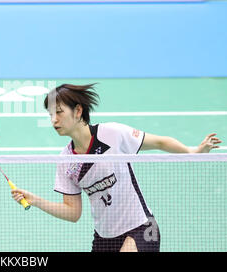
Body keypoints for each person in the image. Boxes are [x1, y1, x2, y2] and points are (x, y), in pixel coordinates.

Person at [11, 83, 221, 252]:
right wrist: (35, 200)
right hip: (104, 239)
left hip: (141, 228)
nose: (53, 120)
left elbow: (159, 142)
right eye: (50, 115)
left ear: (78, 111)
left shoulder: (112, 134)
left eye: (58, 112)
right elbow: (73, 213)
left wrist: (194, 152)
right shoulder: (66, 161)